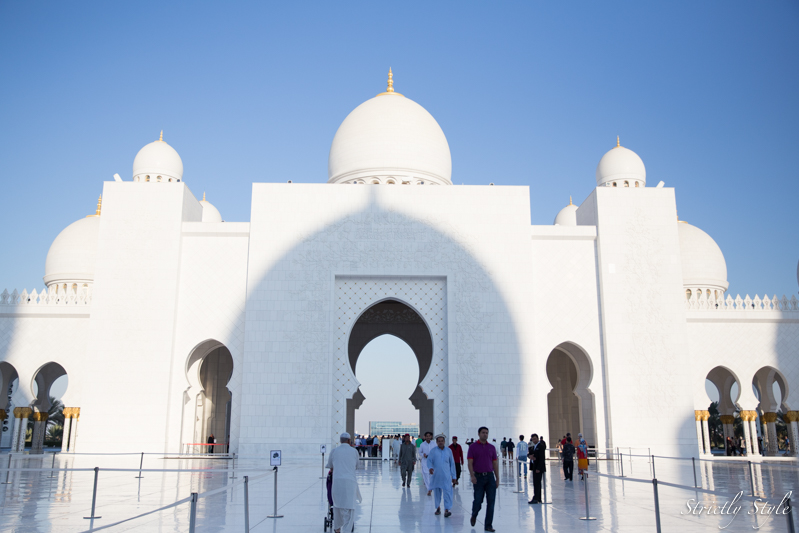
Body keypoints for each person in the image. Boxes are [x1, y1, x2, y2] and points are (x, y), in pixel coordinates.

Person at [326, 432, 361, 533]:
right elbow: (357, 466)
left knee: (337, 506)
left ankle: (337, 529)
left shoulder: (334, 451)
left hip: (337, 483)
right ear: (349, 441)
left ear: (340, 440)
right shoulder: (354, 452)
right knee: (349, 509)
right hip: (350, 483)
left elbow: (330, 466)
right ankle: (347, 530)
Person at [468, 426, 499, 532]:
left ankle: (488, 525)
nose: (485, 434)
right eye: (483, 432)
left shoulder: (492, 447)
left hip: (490, 477)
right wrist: (472, 475)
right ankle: (474, 514)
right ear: (479, 434)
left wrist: (497, 478)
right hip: (478, 477)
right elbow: (470, 462)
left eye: (486, 433)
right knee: (478, 500)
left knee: (491, 502)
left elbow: (495, 463)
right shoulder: (472, 447)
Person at [428, 434, 456, 517]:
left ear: (444, 441)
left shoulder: (448, 451)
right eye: (439, 441)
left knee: (447, 492)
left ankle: (447, 509)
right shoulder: (433, 451)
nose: (440, 442)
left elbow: (452, 464)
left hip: (446, 476)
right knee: (437, 493)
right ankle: (438, 508)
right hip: (436, 476)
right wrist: (430, 468)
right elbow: (429, 461)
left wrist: (454, 476)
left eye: (442, 441)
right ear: (436, 442)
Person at [528, 434, 546, 504]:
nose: (534, 440)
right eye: (533, 439)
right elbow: (530, 454)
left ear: (538, 439)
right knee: (536, 483)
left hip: (538, 467)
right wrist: (530, 456)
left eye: (535, 439)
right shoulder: (533, 446)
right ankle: (537, 497)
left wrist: (539, 468)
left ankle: (536, 498)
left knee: (537, 483)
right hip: (534, 466)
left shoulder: (540, 446)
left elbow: (542, 458)